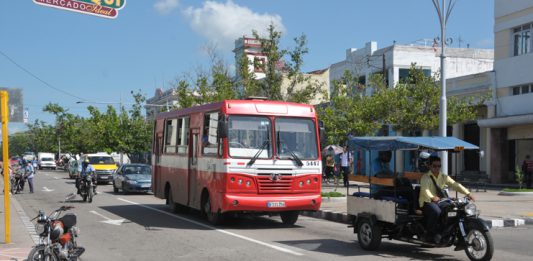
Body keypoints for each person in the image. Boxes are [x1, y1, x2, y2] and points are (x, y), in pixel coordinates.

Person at [419, 155, 474, 243]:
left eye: (439, 166)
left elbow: (455, 185)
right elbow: (425, 190)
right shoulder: (425, 177)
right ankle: (430, 234)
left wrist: (467, 193)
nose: (437, 168)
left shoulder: (444, 176)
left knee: (453, 209)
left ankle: (445, 232)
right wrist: (432, 197)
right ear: (429, 166)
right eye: (434, 166)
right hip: (427, 201)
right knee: (436, 212)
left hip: (440, 201)